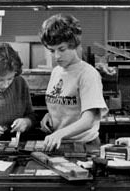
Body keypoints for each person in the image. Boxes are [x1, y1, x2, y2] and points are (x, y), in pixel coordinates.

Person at [39, 14, 108, 152]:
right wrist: (50, 117)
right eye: (52, 51)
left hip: (84, 146)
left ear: (74, 44)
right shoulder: (56, 71)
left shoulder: (88, 74)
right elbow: (63, 104)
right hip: (59, 143)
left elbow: (88, 121)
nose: (57, 56)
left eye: (62, 49)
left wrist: (59, 133)